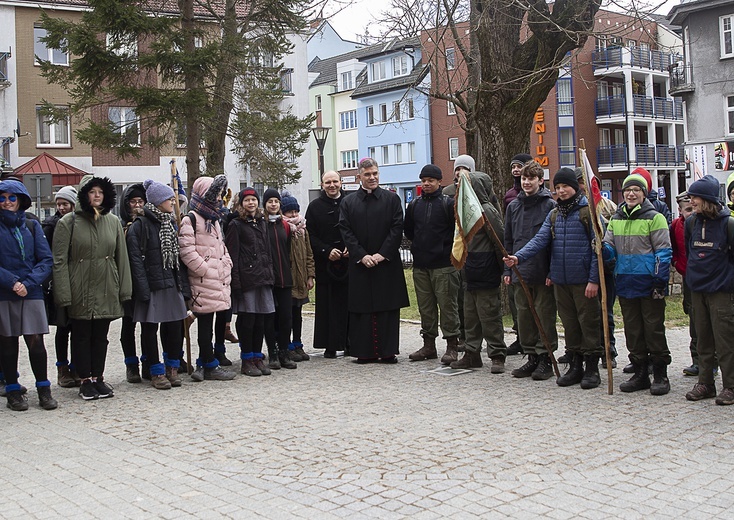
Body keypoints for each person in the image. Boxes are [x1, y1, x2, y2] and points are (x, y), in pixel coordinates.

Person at [505, 168, 602, 389]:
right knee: (570, 325)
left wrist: (594, 279)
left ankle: (592, 367)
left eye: (565, 186)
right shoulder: (555, 214)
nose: (561, 191)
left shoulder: (588, 212)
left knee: (588, 323)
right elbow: (540, 240)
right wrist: (518, 258)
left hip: (583, 279)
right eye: (557, 187)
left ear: (574, 187)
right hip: (561, 279)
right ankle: (575, 365)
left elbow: (598, 249)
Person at [53, 175, 132, 400]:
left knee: (101, 336)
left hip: (106, 285)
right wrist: (63, 292)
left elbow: (121, 258)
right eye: (92, 191)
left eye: (100, 192)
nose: (97, 196)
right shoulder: (68, 222)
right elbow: (59, 260)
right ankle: (84, 379)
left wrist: (124, 289)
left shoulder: (113, 221)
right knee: (81, 335)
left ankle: (98, 377)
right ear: (84, 194)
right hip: (79, 285)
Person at [602, 173, 672, 395]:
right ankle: (640, 372)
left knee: (653, 329)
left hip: (650, 283)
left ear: (644, 194)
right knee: (633, 330)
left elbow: (663, 252)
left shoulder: (655, 218)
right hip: (625, 281)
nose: (631, 194)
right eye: (628, 191)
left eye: (636, 190)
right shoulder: (616, 219)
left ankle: (660, 373)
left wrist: (660, 281)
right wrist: (602, 248)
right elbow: (610, 247)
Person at [338, 158, 410, 363]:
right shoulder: (348, 202)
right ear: (359, 176)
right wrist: (361, 255)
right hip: (361, 265)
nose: (372, 178)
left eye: (375, 173)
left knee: (387, 308)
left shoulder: (392, 199)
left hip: (385, 263)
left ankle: (388, 351)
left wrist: (381, 254)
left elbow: (397, 229)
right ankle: (365, 352)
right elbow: (346, 231)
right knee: (362, 309)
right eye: (368, 174)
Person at [126, 180, 190, 390]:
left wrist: (183, 286)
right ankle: (155, 370)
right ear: (157, 201)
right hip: (152, 286)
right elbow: (135, 261)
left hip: (171, 284)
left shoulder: (170, 223)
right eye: (169, 199)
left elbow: (177, 258)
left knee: (174, 328)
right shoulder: (139, 226)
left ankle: (172, 367)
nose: (173, 202)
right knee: (149, 329)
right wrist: (142, 290)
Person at [0, 179, 56, 411]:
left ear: (21, 200)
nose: (7, 202)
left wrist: (28, 283)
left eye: (12, 198)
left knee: (36, 342)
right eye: (2, 198)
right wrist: (12, 283)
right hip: (5, 293)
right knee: (8, 342)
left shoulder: (32, 226)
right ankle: (13, 390)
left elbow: (46, 260)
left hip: (31, 292)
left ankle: (44, 389)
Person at [178, 175, 236, 382]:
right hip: (203, 281)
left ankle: (205, 362)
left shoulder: (215, 219)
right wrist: (204, 270)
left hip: (218, 278)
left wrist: (226, 263)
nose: (220, 198)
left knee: (213, 323)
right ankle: (210, 365)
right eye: (217, 193)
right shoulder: (191, 219)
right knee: (204, 324)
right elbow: (187, 251)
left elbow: (222, 246)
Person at [503, 161, 557, 380]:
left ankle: (545, 356)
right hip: (519, 271)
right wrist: (506, 271)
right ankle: (531, 356)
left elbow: (553, 242)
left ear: (540, 181)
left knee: (544, 315)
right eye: (524, 179)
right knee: (523, 316)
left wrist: (552, 272)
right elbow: (508, 239)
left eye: (531, 179)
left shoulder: (549, 206)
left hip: (542, 271)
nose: (526, 182)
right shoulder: (513, 206)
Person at [683, 175, 734, 405]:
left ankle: (731, 386)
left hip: (721, 291)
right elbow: (689, 254)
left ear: (707, 199)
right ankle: (705, 383)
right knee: (702, 339)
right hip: (698, 290)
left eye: (695, 197)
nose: (691, 201)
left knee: (726, 342)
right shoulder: (691, 223)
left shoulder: (728, 224)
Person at [450, 171, 507, 373]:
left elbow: (499, 241)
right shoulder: (464, 210)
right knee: (471, 317)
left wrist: (502, 269)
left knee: (489, 315)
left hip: (486, 270)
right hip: (469, 270)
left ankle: (497, 354)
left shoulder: (487, 210)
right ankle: (472, 353)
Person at [404, 164, 461, 364]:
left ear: (439, 182)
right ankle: (429, 345)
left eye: (431, 180)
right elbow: (409, 231)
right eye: (424, 180)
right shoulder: (414, 205)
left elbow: (458, 233)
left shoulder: (448, 204)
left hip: (444, 265)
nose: (426, 184)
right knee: (425, 307)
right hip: (421, 265)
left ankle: (452, 346)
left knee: (448, 306)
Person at [226, 187, 278, 375]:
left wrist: (270, 275)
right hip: (247, 279)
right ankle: (246, 358)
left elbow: (267, 251)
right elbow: (233, 255)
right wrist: (236, 283)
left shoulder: (262, 223)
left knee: (261, 321)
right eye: (247, 200)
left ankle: (257, 356)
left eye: (254, 200)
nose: (251, 203)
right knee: (247, 320)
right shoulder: (236, 225)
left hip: (262, 278)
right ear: (241, 203)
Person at [306, 171, 350, 358]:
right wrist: (326, 250)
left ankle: (349, 342)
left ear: (341, 183)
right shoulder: (314, 207)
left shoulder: (350, 203)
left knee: (349, 304)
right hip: (325, 264)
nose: (332, 185)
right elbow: (310, 235)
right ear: (322, 185)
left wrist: (351, 246)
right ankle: (329, 345)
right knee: (327, 305)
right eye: (328, 182)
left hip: (348, 262)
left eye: (335, 181)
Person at [42, 185, 78, 388]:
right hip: (59, 282)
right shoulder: (51, 225)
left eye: (65, 204)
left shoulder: (80, 223)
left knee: (78, 329)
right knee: (63, 328)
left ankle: (76, 366)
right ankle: (62, 368)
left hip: (78, 282)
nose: (62, 207)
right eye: (59, 204)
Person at [261, 188, 299, 369]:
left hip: (285, 277)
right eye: (270, 202)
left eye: (276, 201)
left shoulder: (285, 226)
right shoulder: (261, 224)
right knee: (270, 317)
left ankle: (284, 350)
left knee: (286, 317)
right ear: (265, 204)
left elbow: (289, 249)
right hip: (269, 278)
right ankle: (273, 352)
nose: (273, 204)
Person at [502, 153, 534, 356]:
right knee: (517, 303)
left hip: (534, 259)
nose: (516, 170)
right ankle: (521, 337)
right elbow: (509, 233)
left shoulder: (546, 200)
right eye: (513, 167)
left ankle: (536, 346)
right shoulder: (510, 198)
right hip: (515, 257)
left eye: (520, 167)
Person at [281, 192, 315, 362]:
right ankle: (286, 345)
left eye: (295, 211)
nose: (293, 215)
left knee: (298, 315)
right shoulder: (283, 227)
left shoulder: (302, 229)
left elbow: (309, 254)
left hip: (301, 278)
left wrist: (310, 275)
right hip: (289, 279)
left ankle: (297, 343)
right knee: (287, 315)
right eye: (289, 212)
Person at [119, 183, 146, 382]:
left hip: (145, 280)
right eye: (133, 202)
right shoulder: (120, 226)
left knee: (147, 324)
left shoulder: (147, 224)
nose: (137, 206)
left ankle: (148, 362)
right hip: (127, 280)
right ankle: (131, 364)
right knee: (128, 325)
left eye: (140, 201)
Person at [670, 192, 700, 376]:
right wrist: (676, 263)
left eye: (693, 208)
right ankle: (697, 360)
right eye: (687, 210)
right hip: (688, 278)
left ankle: (713, 362)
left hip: (708, 279)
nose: (691, 213)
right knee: (694, 319)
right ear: (680, 210)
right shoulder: (676, 226)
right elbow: (673, 249)